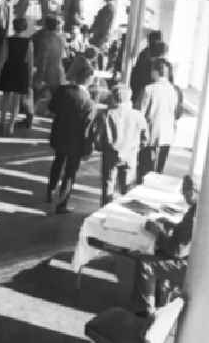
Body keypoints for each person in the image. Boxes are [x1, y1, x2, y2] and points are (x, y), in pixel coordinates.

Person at [132, 175, 198, 314]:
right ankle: (160, 302)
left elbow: (176, 251)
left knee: (145, 264)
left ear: (195, 191)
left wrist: (158, 232)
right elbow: (185, 233)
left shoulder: (195, 213)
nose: (183, 194)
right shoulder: (197, 208)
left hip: (188, 265)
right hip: (191, 258)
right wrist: (170, 224)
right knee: (157, 252)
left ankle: (147, 314)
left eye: (186, 191)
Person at [46, 57, 96, 213]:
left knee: (57, 162)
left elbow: (51, 107)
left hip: (60, 134)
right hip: (76, 141)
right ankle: (62, 203)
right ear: (88, 80)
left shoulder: (63, 90)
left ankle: (50, 190)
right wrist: (88, 148)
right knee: (70, 172)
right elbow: (88, 127)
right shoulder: (88, 102)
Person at [95, 86, 148, 205]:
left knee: (108, 185)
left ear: (114, 98)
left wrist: (102, 148)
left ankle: (105, 211)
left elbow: (98, 138)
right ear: (129, 99)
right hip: (130, 155)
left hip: (110, 155)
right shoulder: (138, 116)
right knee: (127, 189)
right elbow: (145, 138)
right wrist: (137, 148)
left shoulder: (106, 114)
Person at [140, 58, 180, 175]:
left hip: (150, 132)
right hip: (167, 133)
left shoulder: (149, 89)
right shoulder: (174, 90)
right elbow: (175, 111)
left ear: (156, 71)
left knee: (146, 167)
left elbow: (142, 112)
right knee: (160, 168)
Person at [0, 17, 35, 135]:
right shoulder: (28, 42)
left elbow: (2, 58)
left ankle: (2, 122)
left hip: (9, 68)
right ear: (24, 28)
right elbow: (30, 61)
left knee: (5, 97)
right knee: (16, 100)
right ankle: (11, 125)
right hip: (21, 70)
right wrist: (29, 77)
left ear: (13, 27)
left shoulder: (7, 40)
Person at [32, 15, 66, 103]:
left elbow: (43, 57)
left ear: (45, 24)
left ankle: (30, 114)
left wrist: (40, 74)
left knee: (35, 94)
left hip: (45, 71)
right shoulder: (61, 39)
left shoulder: (42, 37)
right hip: (57, 71)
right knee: (56, 97)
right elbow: (63, 56)